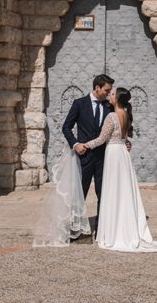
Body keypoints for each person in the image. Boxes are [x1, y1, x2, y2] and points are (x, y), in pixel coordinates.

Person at [81, 88, 157, 253]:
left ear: (118, 99)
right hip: (122, 153)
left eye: (113, 94)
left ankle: (113, 231)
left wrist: (86, 145)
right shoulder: (125, 114)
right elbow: (123, 138)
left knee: (113, 191)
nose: (110, 95)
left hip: (114, 154)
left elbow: (102, 139)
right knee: (123, 190)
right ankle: (125, 225)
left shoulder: (112, 116)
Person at [33, 74, 114, 247]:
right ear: (97, 87)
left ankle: (101, 230)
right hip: (83, 156)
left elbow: (115, 128)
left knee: (103, 194)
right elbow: (66, 127)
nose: (108, 93)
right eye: (106, 90)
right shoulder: (79, 103)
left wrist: (125, 142)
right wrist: (75, 144)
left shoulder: (109, 106)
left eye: (110, 91)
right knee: (79, 194)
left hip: (103, 157)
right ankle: (78, 231)